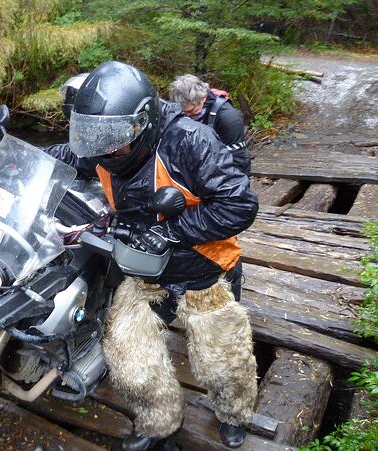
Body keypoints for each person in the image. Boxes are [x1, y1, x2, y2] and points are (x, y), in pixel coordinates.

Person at [44, 61, 258, 450]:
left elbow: (239, 205)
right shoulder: (103, 143)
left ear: (142, 121)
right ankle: (158, 422)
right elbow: (70, 155)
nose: (104, 150)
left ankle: (233, 414)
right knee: (129, 355)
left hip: (204, 267)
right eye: (95, 139)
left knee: (223, 359)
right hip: (143, 269)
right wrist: (17, 158)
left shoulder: (190, 141)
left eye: (113, 140)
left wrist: (172, 231)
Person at [169, 74, 250, 176]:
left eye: (191, 111)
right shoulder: (177, 110)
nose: (187, 116)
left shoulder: (228, 118)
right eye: (183, 112)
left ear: (203, 98)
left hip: (221, 172)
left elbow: (238, 161)